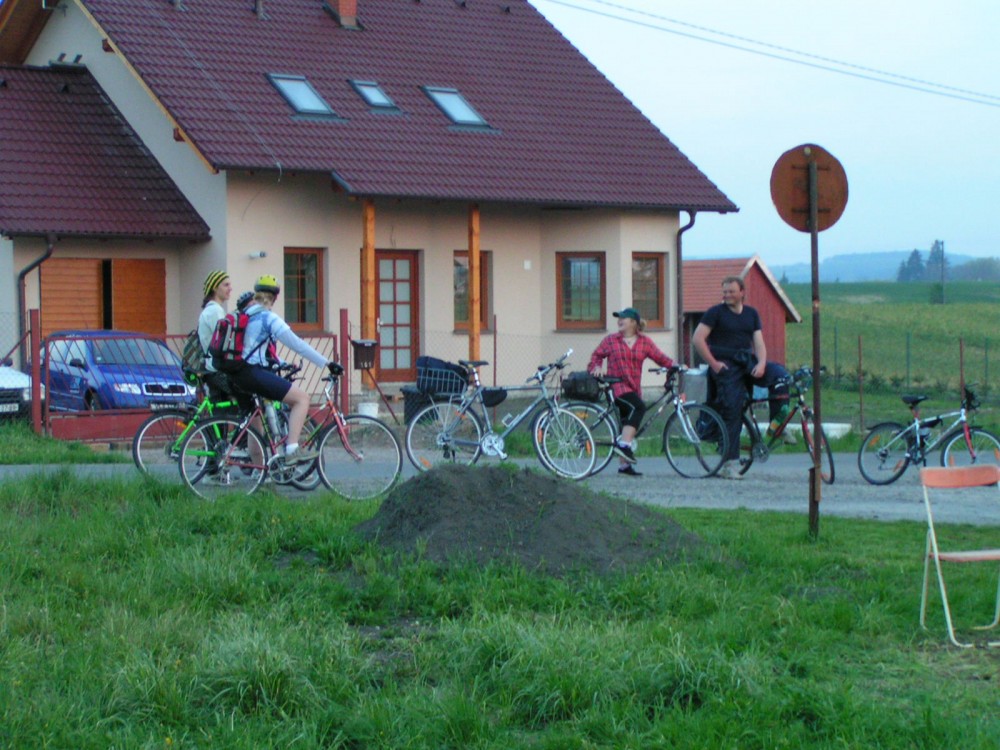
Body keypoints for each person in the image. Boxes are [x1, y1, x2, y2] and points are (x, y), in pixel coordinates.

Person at [229, 274, 342, 465]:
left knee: (256, 428)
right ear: (275, 297)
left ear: (256, 294)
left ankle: (259, 473)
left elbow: (256, 349)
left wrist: (280, 363)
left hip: (238, 374)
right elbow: (297, 344)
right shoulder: (269, 318)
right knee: (301, 399)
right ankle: (292, 449)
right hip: (253, 373)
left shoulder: (245, 315)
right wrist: (327, 363)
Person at [691, 275, 791, 480]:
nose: (727, 295)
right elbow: (698, 339)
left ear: (742, 292)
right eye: (725, 291)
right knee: (733, 409)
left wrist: (761, 363)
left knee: (781, 376)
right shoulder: (715, 313)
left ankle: (777, 427)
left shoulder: (751, 314)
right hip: (725, 366)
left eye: (731, 291)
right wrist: (714, 364)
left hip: (747, 362)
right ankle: (729, 464)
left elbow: (759, 343)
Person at [587, 307, 675, 477]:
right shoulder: (611, 340)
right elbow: (596, 356)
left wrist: (675, 365)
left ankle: (624, 466)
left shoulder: (644, 342)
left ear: (634, 323)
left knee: (627, 424)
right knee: (639, 407)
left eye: (623, 318)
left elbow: (660, 358)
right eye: (618, 318)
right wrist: (596, 367)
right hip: (617, 386)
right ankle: (624, 446)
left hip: (633, 388)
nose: (619, 321)